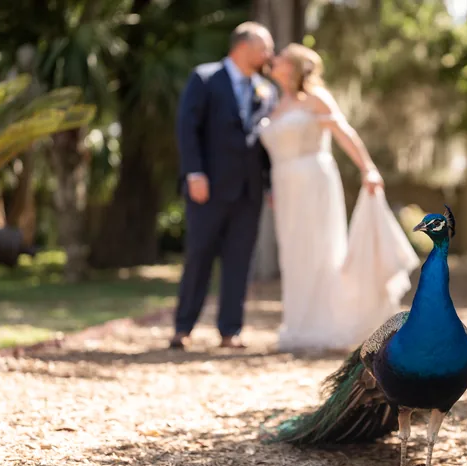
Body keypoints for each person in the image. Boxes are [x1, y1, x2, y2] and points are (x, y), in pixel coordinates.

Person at [258, 44, 420, 352]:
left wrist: (367, 167)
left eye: (279, 57)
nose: (273, 60)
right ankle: (299, 325)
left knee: (318, 250)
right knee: (292, 255)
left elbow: (344, 131)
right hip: (284, 187)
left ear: (292, 67)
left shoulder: (316, 97)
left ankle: (326, 325)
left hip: (313, 181)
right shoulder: (275, 101)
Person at [170, 22, 277, 350]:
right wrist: (194, 173)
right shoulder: (205, 78)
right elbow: (188, 127)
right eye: (264, 48)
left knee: (240, 261)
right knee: (199, 256)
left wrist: (269, 186)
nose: (269, 55)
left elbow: (267, 145)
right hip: (209, 187)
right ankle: (183, 328)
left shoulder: (266, 90)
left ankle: (230, 330)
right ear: (243, 46)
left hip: (248, 192)